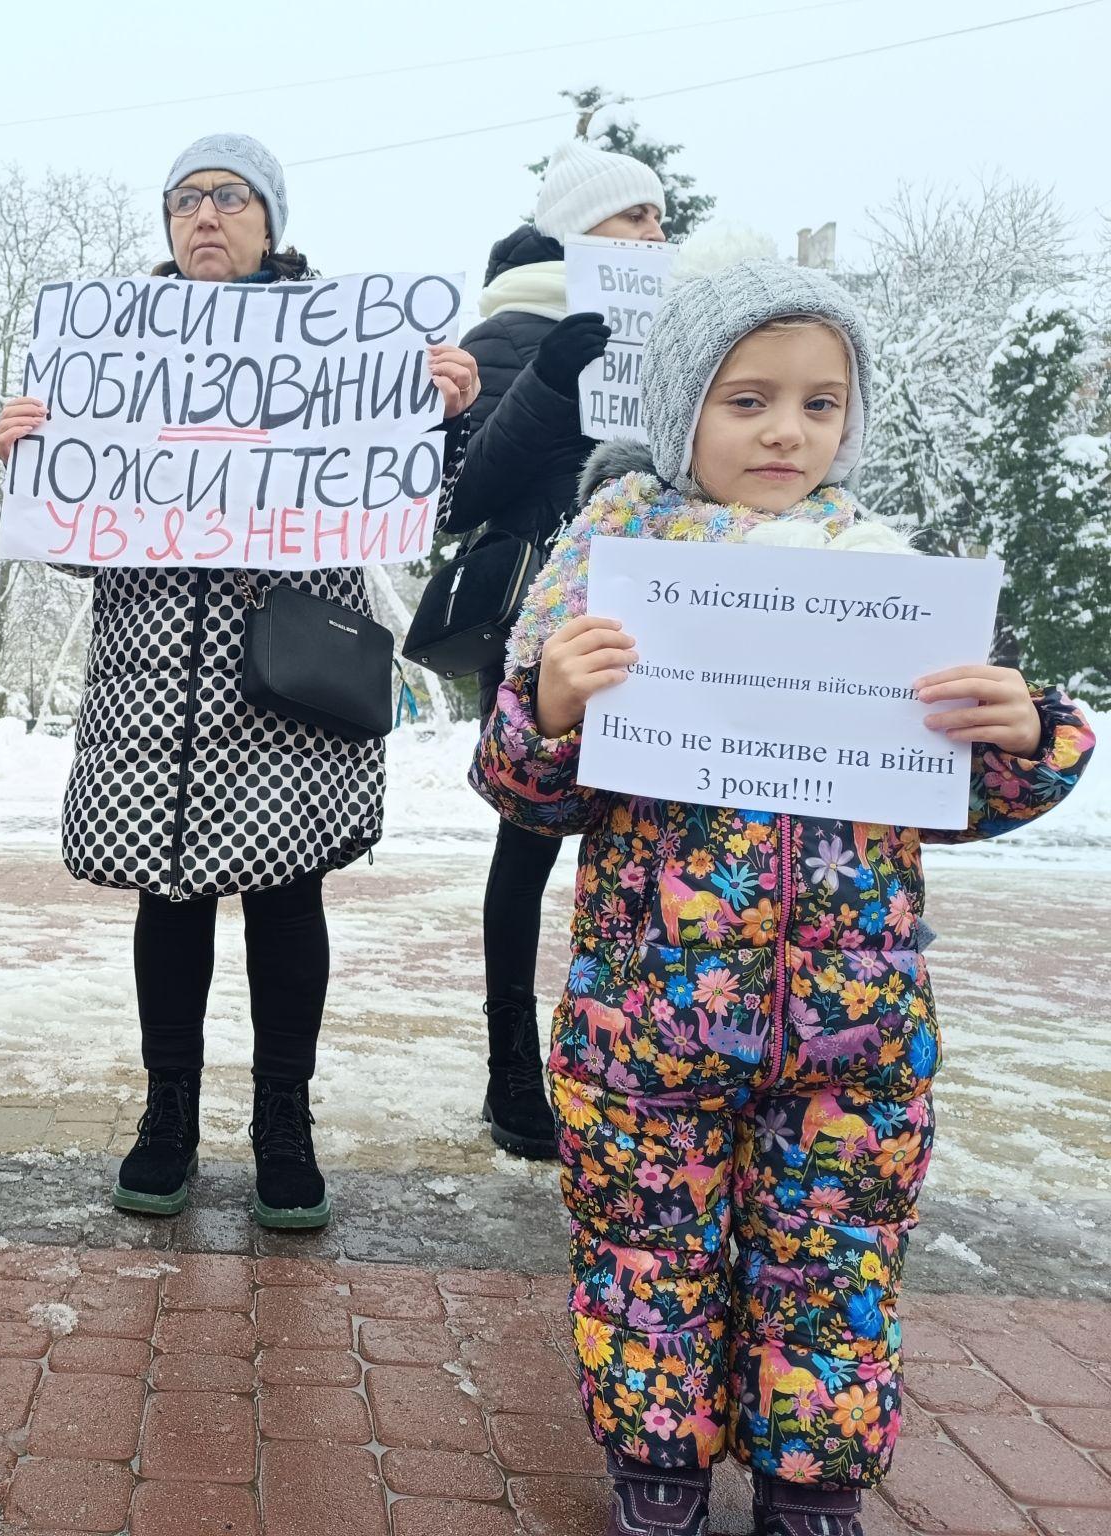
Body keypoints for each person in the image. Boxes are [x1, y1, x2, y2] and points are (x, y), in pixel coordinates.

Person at [471, 229, 1095, 1536]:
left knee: (834, 1272)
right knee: (650, 1261)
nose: (784, 434)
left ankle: (812, 1487)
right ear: (680, 407)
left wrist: (1030, 737)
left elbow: (957, 794)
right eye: (745, 400)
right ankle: (657, 1469)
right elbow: (526, 789)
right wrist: (549, 708)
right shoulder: (605, 563)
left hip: (854, 1033)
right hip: (652, 1025)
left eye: (820, 404)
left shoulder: (887, 580)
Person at [0, 134, 481, 1230]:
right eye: (183, 200)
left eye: (227, 197)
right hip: (153, 679)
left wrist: (435, 427)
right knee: (166, 899)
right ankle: (166, 1115)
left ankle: (282, 1123)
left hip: (282, 671)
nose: (203, 216)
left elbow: (404, 521)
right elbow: (79, 541)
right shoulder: (110, 353)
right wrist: (31, 459)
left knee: (284, 895)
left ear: (269, 219)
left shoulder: (351, 350)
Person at [440, 141, 668, 1161]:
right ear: (579, 230)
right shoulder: (508, 333)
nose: (651, 236)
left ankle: (638, 1056)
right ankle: (508, 1066)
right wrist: (548, 376)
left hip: (660, 622)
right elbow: (465, 495)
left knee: (649, 844)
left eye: (657, 219)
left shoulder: (676, 336)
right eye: (630, 220)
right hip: (542, 628)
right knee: (524, 844)